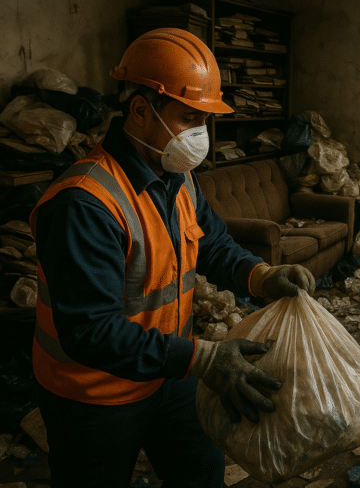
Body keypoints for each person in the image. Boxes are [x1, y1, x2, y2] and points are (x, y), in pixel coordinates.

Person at [29, 28, 315, 487]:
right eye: (188, 117)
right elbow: (90, 331)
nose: (201, 134)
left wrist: (263, 276)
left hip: (168, 373)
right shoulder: (84, 203)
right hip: (94, 395)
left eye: (204, 119)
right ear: (141, 110)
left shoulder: (177, 175)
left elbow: (212, 243)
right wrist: (203, 360)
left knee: (201, 474)